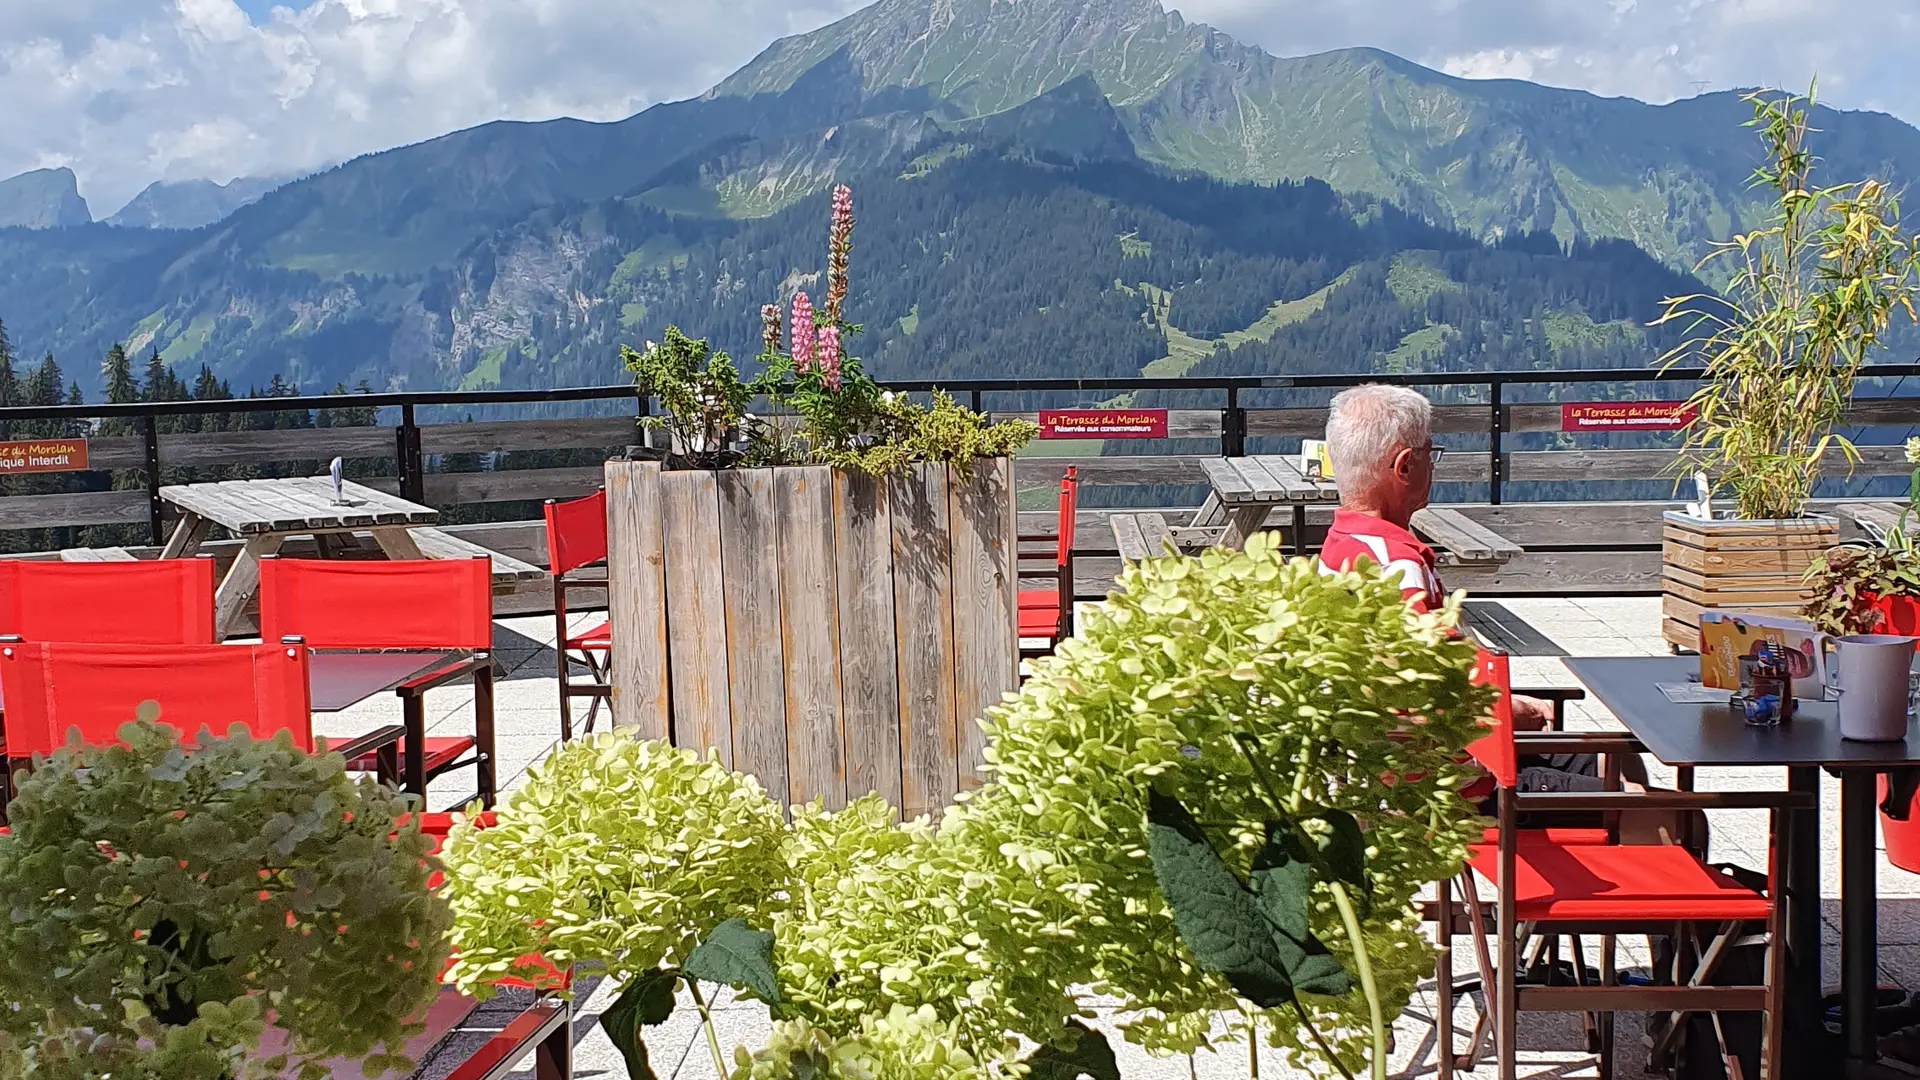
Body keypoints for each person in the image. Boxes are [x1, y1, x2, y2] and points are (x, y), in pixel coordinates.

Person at [1316, 385, 1693, 846]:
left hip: (1420, 771)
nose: (1433, 466)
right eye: (1430, 453)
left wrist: (1502, 708)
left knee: (1611, 758)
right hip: (1462, 788)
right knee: (1677, 818)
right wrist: (1504, 711)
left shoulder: (1342, 548)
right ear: (1405, 466)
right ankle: (1697, 915)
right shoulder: (1398, 569)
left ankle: (1626, 904)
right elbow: (1417, 702)